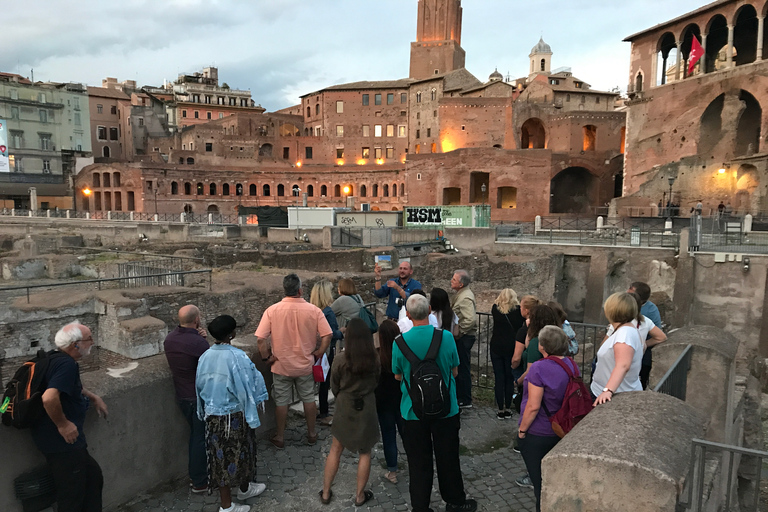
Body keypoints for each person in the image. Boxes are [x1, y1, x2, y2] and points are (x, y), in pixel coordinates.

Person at [393, 294, 477, 512]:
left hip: (412, 412)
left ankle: (420, 507)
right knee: (448, 458)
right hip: (446, 410)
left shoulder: (399, 343)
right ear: (430, 310)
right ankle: (455, 501)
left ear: (408, 315)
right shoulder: (446, 338)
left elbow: (398, 376)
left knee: (418, 463)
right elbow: (455, 371)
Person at [31, 322, 108, 512]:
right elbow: (49, 398)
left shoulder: (53, 358)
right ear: (75, 344)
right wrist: (63, 424)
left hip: (60, 442)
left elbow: (70, 387)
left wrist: (92, 396)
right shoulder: (67, 364)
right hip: (62, 443)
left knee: (92, 477)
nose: (92, 342)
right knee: (71, 496)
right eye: (89, 339)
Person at [197, 315, 269, 512]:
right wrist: (253, 412)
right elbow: (247, 387)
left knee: (223, 456)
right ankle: (227, 506)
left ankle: (245, 488)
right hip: (233, 416)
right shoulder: (237, 357)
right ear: (232, 334)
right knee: (236, 454)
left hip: (213, 415)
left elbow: (200, 386)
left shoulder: (205, 356)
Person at [256, 273, 332, 449]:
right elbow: (327, 335)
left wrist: (267, 357)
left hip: (281, 365)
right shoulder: (314, 310)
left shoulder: (272, 310)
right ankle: (312, 434)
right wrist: (319, 352)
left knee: (281, 402)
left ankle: (280, 436)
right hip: (305, 364)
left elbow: (260, 339)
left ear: (284, 290)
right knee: (308, 399)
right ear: (300, 290)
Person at [320, 318, 380, 507]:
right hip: (367, 404)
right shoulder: (374, 359)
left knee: (336, 449)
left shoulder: (340, 360)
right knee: (365, 451)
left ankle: (326, 492)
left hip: (345, 405)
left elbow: (334, 385)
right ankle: (359, 495)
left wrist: (342, 396)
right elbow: (377, 381)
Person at [517, 326, 576, 512]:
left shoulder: (538, 368)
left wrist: (521, 431)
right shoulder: (571, 365)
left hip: (539, 432)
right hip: (563, 428)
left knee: (540, 484)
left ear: (542, 346)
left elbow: (533, 406)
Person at [163, 305, 210, 493]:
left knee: (196, 436)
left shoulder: (169, 339)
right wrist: (203, 340)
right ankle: (199, 481)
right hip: (197, 397)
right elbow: (207, 365)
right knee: (199, 439)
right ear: (197, 320)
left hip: (181, 396)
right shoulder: (198, 343)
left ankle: (200, 476)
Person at [591, 292, 644, 405]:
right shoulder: (627, 330)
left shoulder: (624, 334)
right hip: (612, 391)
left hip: (615, 395)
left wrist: (608, 390)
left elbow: (623, 365)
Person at [310, 280, 345, 427]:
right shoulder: (328, 312)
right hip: (325, 351)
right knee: (324, 382)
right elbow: (330, 333)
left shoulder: (311, 309)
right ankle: (324, 412)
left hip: (311, 349)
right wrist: (341, 332)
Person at [375, 319, 404, 484]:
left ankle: (392, 471)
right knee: (406, 433)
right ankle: (415, 464)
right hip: (401, 399)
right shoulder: (402, 353)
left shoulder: (378, 357)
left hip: (383, 402)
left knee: (388, 436)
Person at [490, 289, 524, 419]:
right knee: (509, 378)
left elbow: (496, 305)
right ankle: (508, 408)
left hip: (496, 346)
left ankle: (500, 408)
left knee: (499, 377)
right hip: (511, 346)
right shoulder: (518, 311)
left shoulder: (495, 309)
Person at [450, 269, 477, 408]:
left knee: (463, 368)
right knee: (461, 366)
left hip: (465, 337)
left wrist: (459, 332)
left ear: (461, 284)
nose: (451, 281)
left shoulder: (465, 297)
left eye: (454, 280)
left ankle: (465, 398)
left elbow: (470, 319)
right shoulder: (463, 294)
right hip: (464, 336)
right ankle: (462, 397)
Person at [628, 281, 662, 389]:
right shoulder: (650, 308)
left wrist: (643, 344)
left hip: (642, 357)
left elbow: (660, 337)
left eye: (630, 289)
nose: (627, 291)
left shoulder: (647, 313)